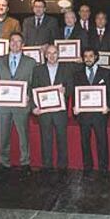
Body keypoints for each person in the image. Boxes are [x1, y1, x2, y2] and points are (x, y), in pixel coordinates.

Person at [0, 32, 36, 181]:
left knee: (23, 135)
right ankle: (4, 163)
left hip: (21, 105)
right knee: (3, 135)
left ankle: (25, 163)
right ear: (9, 43)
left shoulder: (31, 62)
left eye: (18, 42)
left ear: (23, 45)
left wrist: (28, 96)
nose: (15, 44)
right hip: (3, 106)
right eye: (12, 41)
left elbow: (33, 84)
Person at [32, 45, 74, 178]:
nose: (51, 56)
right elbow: (32, 89)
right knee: (46, 139)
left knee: (62, 139)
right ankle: (47, 165)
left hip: (60, 111)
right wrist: (34, 107)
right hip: (44, 112)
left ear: (58, 54)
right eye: (49, 53)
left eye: (54, 53)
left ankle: (63, 166)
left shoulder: (66, 69)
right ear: (45, 55)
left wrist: (65, 90)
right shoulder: (38, 70)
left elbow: (72, 87)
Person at [73, 47, 110, 179]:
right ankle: (87, 167)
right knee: (85, 142)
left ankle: (103, 168)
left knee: (102, 141)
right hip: (84, 115)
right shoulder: (77, 74)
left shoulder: (106, 73)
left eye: (91, 56)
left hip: (99, 114)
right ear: (83, 58)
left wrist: (108, 106)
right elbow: (75, 93)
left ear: (96, 57)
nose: (88, 59)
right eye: (86, 56)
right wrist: (75, 107)